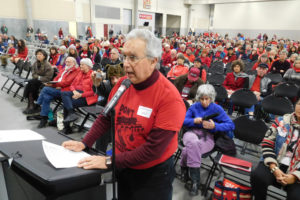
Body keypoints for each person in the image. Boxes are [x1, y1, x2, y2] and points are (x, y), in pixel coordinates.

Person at [62, 29, 186, 200]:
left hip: (152, 176)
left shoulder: (170, 98)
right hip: (122, 165)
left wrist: (107, 161)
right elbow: (105, 118)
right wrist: (85, 143)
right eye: (124, 57)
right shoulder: (123, 84)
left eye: (133, 58)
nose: (126, 64)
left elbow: (153, 151)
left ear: (153, 61)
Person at [180, 84, 235, 196]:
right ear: (198, 98)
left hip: (208, 137)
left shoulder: (217, 109)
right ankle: (195, 181)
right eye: (202, 99)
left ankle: (184, 170)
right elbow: (183, 121)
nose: (204, 101)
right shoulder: (194, 106)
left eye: (207, 99)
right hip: (191, 133)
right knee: (193, 143)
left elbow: (231, 125)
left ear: (211, 98)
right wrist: (194, 121)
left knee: (187, 150)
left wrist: (215, 126)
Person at [250, 99, 300, 200]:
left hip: (297, 170)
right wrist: (274, 167)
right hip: (275, 161)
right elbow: (267, 143)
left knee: (296, 196)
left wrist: (295, 176)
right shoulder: (281, 121)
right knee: (258, 176)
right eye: (299, 104)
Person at [36, 57, 80, 128]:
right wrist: (53, 83)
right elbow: (56, 78)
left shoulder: (75, 71)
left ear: (74, 63)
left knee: (45, 89)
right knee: (46, 97)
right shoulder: (65, 69)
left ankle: (37, 106)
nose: (67, 63)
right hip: (57, 88)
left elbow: (67, 82)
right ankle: (44, 118)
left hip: (65, 91)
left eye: (69, 62)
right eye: (66, 62)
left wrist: (55, 84)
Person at [60, 58, 98, 134]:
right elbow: (72, 85)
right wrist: (74, 92)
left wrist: (81, 95)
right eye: (80, 64)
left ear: (88, 66)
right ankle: (71, 114)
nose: (80, 66)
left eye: (82, 65)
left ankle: (67, 127)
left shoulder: (93, 75)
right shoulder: (80, 73)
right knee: (64, 94)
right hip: (76, 93)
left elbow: (94, 92)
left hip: (87, 98)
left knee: (67, 103)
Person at [23, 49, 54, 114]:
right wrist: (37, 77)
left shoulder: (48, 65)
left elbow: (48, 77)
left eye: (40, 54)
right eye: (37, 54)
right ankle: (31, 104)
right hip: (35, 81)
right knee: (31, 83)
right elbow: (33, 73)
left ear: (44, 56)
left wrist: (38, 78)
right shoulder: (35, 63)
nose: (38, 55)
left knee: (31, 82)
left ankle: (31, 104)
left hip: (44, 82)